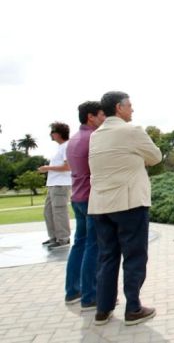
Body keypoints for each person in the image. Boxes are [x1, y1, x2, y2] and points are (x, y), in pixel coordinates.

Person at [88, 91, 161, 326]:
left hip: (100, 204)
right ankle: (133, 308)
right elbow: (156, 157)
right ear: (119, 108)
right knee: (134, 256)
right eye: (130, 105)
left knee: (107, 257)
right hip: (129, 203)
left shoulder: (96, 135)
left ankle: (103, 309)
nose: (133, 109)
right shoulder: (132, 131)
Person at [64, 101, 105, 309]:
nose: (104, 118)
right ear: (91, 117)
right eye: (101, 115)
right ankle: (90, 295)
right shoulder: (93, 138)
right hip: (90, 199)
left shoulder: (73, 139)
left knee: (79, 244)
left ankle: (73, 290)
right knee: (93, 245)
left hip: (77, 197)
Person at [39, 122, 71, 249]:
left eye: (52, 132)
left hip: (61, 184)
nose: (50, 135)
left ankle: (63, 238)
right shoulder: (60, 147)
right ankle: (53, 237)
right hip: (53, 184)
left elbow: (68, 166)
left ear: (57, 134)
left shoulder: (66, 147)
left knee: (59, 212)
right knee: (48, 212)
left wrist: (47, 168)